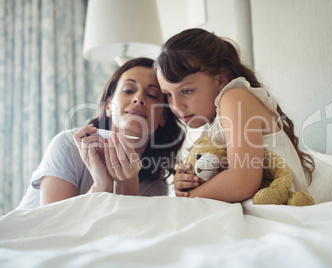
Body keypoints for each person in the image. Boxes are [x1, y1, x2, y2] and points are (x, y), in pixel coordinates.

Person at [155, 28, 314, 203]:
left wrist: (189, 197)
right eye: (168, 94)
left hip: (278, 203)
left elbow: (243, 181)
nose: (176, 105)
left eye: (186, 91)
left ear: (220, 79)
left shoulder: (235, 98)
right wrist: (187, 183)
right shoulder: (214, 126)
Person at [17, 57, 185, 209]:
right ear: (109, 106)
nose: (138, 98)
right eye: (128, 90)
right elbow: (54, 230)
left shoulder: (155, 185)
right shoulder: (67, 146)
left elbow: (123, 237)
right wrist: (101, 186)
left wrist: (126, 185)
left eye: (152, 94)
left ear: (163, 116)